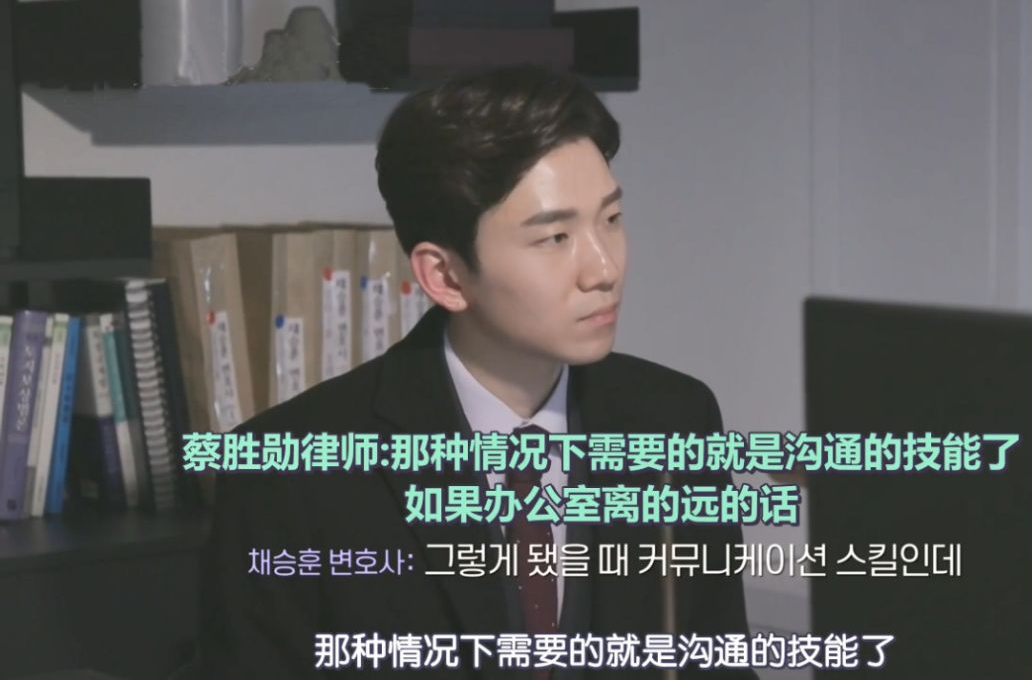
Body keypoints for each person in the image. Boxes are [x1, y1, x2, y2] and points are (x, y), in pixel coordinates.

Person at [197, 64, 757, 679]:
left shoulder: (674, 419)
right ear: (444, 276)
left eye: (611, 219)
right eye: (556, 238)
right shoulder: (288, 474)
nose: (604, 268)